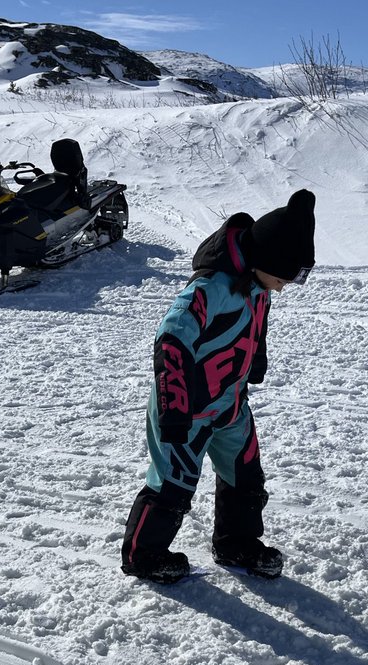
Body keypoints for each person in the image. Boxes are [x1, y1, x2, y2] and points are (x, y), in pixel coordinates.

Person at [121, 190, 316, 584]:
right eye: (283, 278)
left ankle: (235, 543)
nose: (282, 288)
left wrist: (256, 362)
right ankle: (144, 555)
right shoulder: (209, 288)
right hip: (185, 409)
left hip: (229, 404)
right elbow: (171, 341)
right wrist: (175, 409)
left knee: (246, 477)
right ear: (266, 261)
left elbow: (255, 325)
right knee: (173, 484)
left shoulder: (259, 284)